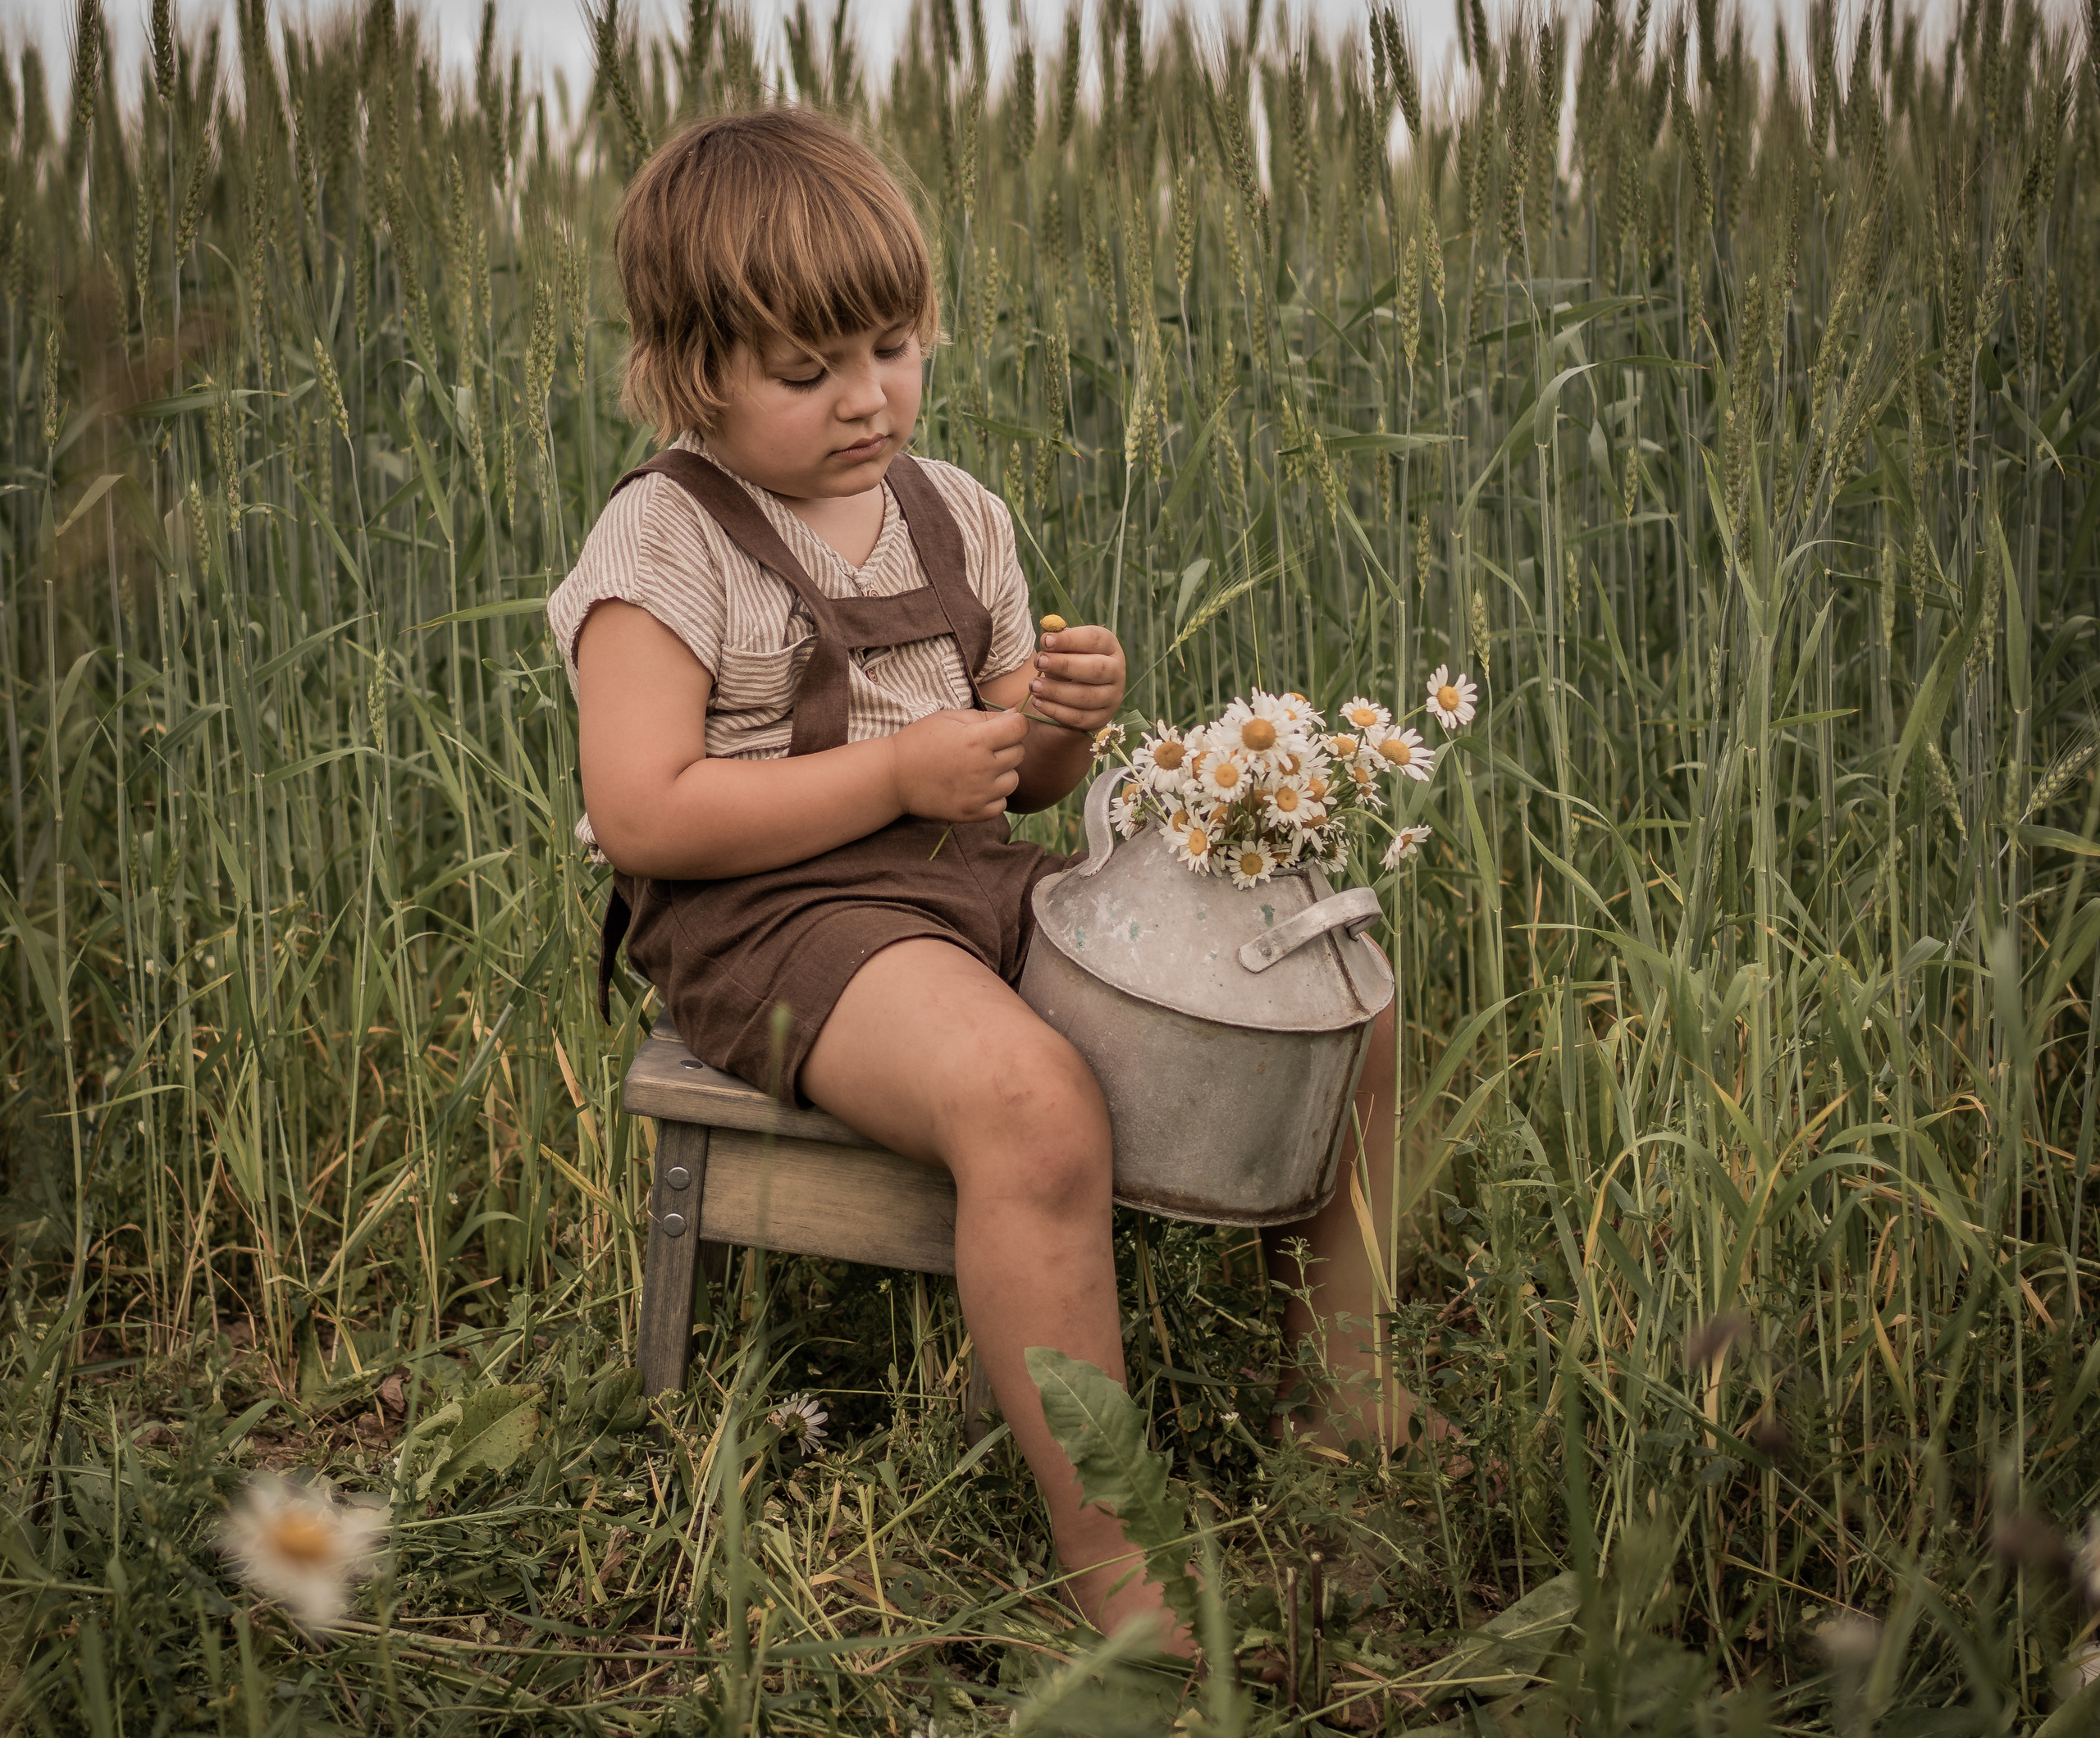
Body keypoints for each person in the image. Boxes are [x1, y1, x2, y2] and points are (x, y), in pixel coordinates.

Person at [547, 107, 1404, 1657]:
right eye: (807, 371)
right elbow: (646, 811)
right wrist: (893, 778)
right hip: (769, 924)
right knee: (1031, 1103)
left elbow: (1028, 787)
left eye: (893, 347)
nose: (866, 397)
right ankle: (1118, 1566)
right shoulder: (664, 541)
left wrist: (1059, 724)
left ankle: (1346, 1403)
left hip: (972, 879)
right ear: (692, 372)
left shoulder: (956, 514)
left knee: (1329, 997)